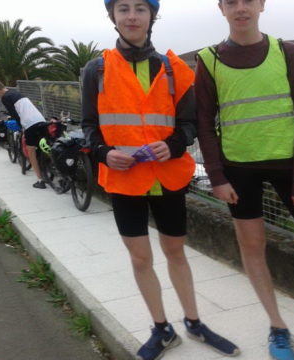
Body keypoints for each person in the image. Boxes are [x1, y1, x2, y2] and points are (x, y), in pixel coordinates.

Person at [82, 1, 240, 359]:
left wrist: (173, 144)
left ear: (152, 16)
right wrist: (105, 153)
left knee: (175, 252)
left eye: (140, 8)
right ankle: (161, 329)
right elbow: (89, 126)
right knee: (140, 259)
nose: (132, 16)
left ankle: (194, 321)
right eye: (123, 8)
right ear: (113, 17)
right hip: (124, 181)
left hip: (167, 178)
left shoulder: (174, 68)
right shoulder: (96, 70)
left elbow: (191, 124)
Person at [195, 1, 294, 359]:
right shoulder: (209, 59)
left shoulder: (286, 51)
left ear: (261, 4)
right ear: (221, 8)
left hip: (290, 168)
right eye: (231, 2)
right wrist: (216, 176)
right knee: (252, 248)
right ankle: (278, 328)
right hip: (239, 170)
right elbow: (204, 122)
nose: (240, 8)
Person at [0, 81, 49, 189]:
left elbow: (14, 114)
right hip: (41, 120)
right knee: (44, 145)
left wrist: (19, 125)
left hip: (29, 124)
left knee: (30, 150)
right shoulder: (17, 93)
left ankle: (40, 180)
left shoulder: (5, 97)